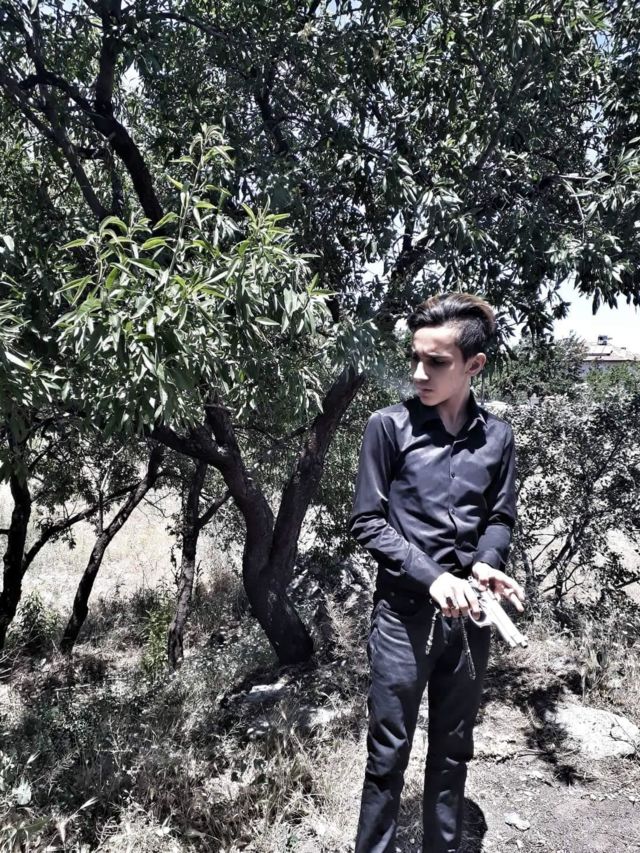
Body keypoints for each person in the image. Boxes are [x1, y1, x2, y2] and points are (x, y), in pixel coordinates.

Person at [349, 292, 526, 853]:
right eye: (416, 358)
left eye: (437, 361)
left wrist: (486, 562)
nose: (419, 373)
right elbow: (367, 521)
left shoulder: (498, 437)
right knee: (387, 754)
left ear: (474, 365)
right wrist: (433, 576)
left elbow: (499, 518)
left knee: (454, 750)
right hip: (403, 617)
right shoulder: (388, 427)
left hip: (471, 619)